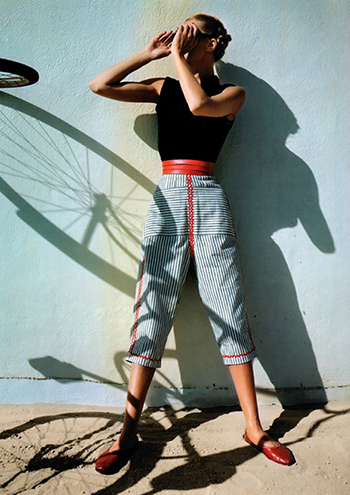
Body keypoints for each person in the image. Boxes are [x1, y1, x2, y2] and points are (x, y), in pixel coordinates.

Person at [89, 13, 296, 474]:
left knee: (229, 308)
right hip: (166, 199)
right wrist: (151, 55)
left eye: (191, 32)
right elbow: (99, 86)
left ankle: (254, 427)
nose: (181, 36)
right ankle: (128, 433)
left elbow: (201, 106)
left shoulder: (231, 94)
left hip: (207, 198)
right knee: (152, 309)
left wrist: (183, 62)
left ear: (213, 43)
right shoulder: (164, 85)